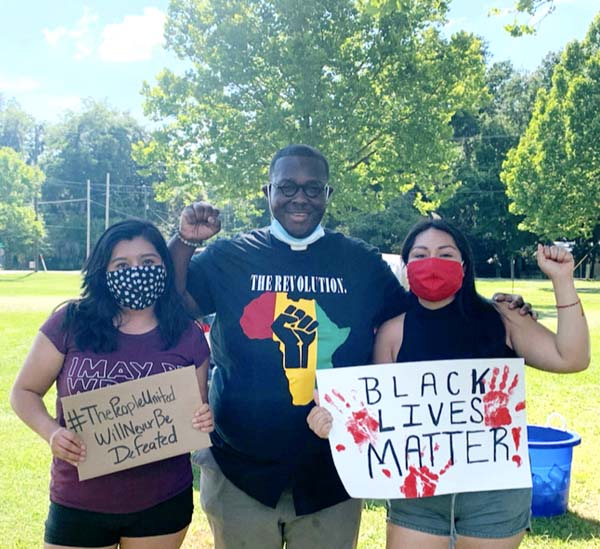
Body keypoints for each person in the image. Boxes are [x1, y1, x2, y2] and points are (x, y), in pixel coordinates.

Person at [170, 144, 534, 549]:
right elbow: (174, 305)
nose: (300, 198)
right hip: (241, 470)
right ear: (267, 190)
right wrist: (184, 241)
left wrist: (495, 311)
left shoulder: (360, 262)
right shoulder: (229, 256)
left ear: (328, 194)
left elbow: (423, 318)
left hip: (334, 473)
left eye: (313, 188)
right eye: (287, 187)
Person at [308, 218, 590, 549]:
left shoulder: (503, 319)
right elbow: (375, 418)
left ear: (464, 265)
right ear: (406, 267)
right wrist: (334, 420)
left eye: (445, 254)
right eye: (420, 255)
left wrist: (562, 279)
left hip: (494, 494)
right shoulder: (392, 333)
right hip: (418, 494)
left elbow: (571, 358)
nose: (432, 263)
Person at [10, 219, 214, 549]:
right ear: (102, 271)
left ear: (164, 265)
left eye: (147, 261)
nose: (136, 272)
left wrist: (202, 419)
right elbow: (23, 392)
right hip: (79, 500)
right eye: (121, 265)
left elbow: (195, 410)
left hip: (162, 501)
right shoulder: (70, 322)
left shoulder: (187, 334)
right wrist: (52, 432)